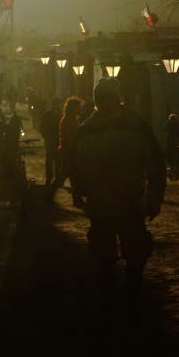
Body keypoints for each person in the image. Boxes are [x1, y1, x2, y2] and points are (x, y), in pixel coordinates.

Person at [67, 77, 166, 326]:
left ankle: (131, 298)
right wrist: (79, 192)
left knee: (135, 255)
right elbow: (74, 167)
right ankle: (109, 302)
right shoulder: (87, 130)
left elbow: (155, 165)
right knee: (103, 257)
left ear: (117, 98)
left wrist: (155, 198)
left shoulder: (134, 126)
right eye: (102, 98)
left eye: (109, 97)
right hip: (102, 205)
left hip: (131, 203)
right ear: (97, 100)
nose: (106, 102)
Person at [45, 95, 83, 204]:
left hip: (69, 150)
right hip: (68, 151)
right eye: (78, 107)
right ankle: (49, 195)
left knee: (71, 176)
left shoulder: (72, 119)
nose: (80, 109)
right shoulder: (68, 120)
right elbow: (70, 137)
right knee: (64, 175)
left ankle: (76, 198)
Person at [39, 97, 62, 187]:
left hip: (58, 141)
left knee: (58, 161)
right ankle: (49, 178)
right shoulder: (47, 115)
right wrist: (46, 137)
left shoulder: (61, 114)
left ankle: (57, 179)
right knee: (50, 160)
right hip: (51, 141)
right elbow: (42, 127)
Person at [163, 113, 179, 180]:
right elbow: (164, 129)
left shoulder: (177, 125)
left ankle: (174, 171)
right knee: (171, 158)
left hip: (174, 143)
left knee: (175, 158)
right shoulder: (170, 125)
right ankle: (172, 171)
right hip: (170, 143)